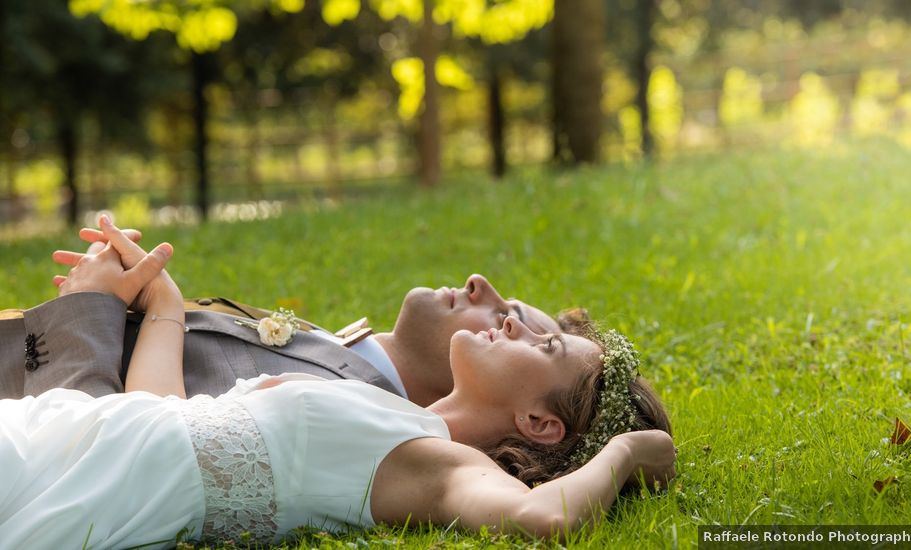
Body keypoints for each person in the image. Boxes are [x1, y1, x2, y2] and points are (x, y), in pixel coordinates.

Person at [0, 229, 676, 548]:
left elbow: (543, 520)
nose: (513, 324)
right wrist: (165, 306)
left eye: (543, 343)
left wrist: (626, 456)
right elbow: (163, 418)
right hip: (54, 433)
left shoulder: (435, 460)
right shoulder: (379, 403)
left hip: (65, 494)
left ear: (540, 424)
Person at [0, 217, 569, 406]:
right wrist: (130, 294)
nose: (482, 283)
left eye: (506, 320)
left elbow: (125, 447)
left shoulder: (332, 402)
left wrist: (85, 311)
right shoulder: (341, 356)